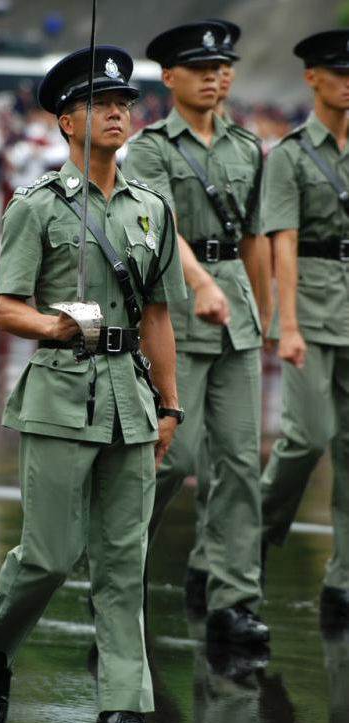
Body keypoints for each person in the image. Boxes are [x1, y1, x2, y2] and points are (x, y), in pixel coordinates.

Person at [0, 45, 186, 723]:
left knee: (125, 564)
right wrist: (56, 327)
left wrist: (171, 402)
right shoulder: (38, 206)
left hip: (131, 401)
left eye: (124, 104)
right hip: (61, 398)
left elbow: (157, 315)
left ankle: (124, 706)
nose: (118, 114)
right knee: (49, 556)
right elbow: (5, 307)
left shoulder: (152, 207)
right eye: (100, 105)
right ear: (67, 122)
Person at [123, 20, 269, 644]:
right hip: (178, 314)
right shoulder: (150, 148)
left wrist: (266, 315)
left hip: (236, 318)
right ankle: (120, 577)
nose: (216, 76)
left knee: (238, 463)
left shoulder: (246, 145)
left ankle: (232, 596)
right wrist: (203, 285)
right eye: (202, 68)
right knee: (170, 459)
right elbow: (161, 226)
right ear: (170, 76)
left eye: (222, 67)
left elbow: (255, 237)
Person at [260, 29, 349, 623]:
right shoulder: (292, 155)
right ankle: (246, 544)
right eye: (338, 72)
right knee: (307, 438)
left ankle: (343, 581)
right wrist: (285, 323)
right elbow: (283, 245)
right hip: (311, 314)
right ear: (312, 78)